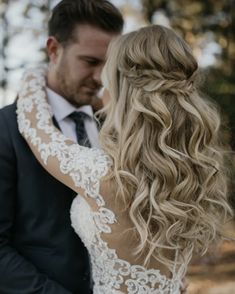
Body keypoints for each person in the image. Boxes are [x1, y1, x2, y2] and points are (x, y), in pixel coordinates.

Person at [17, 25, 233, 293]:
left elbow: (35, 128)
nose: (99, 89)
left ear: (122, 90)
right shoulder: (193, 168)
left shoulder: (102, 175)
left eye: (106, 80)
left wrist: (35, 73)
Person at [0, 0, 123, 293]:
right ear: (54, 50)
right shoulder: (5, 130)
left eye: (109, 65)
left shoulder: (117, 128)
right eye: (91, 62)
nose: (101, 78)